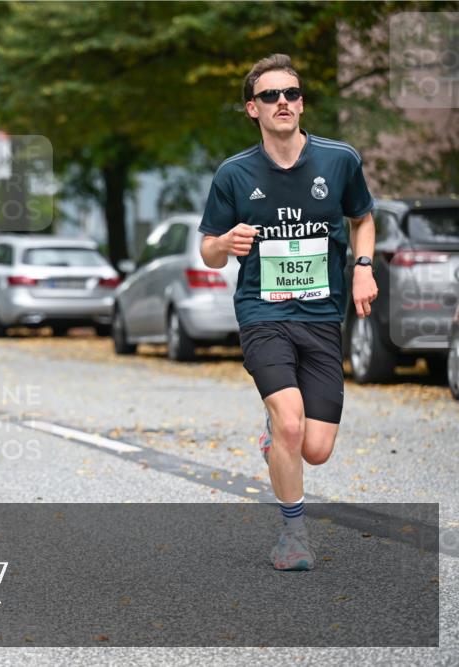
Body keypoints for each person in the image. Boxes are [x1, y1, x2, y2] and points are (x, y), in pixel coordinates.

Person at [198, 54, 378, 571]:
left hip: (322, 317)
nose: (284, 102)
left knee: (316, 448)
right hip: (263, 314)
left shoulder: (338, 160)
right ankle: (293, 537)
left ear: (301, 103)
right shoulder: (234, 174)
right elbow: (208, 251)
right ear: (252, 108)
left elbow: (362, 218)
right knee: (292, 427)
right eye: (272, 96)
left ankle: (274, 437)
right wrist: (224, 243)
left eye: (292, 94)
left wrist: (363, 267)